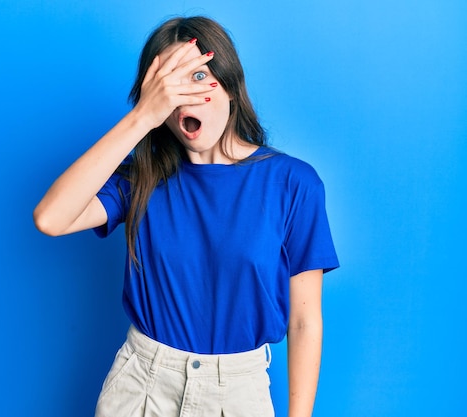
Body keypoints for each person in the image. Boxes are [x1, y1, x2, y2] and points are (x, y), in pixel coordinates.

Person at [34, 16, 339, 417]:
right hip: (140, 386)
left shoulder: (293, 183)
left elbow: (304, 321)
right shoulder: (141, 177)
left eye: (197, 75)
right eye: (169, 83)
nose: (184, 96)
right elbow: (50, 218)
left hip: (237, 392)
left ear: (228, 83)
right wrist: (142, 116)